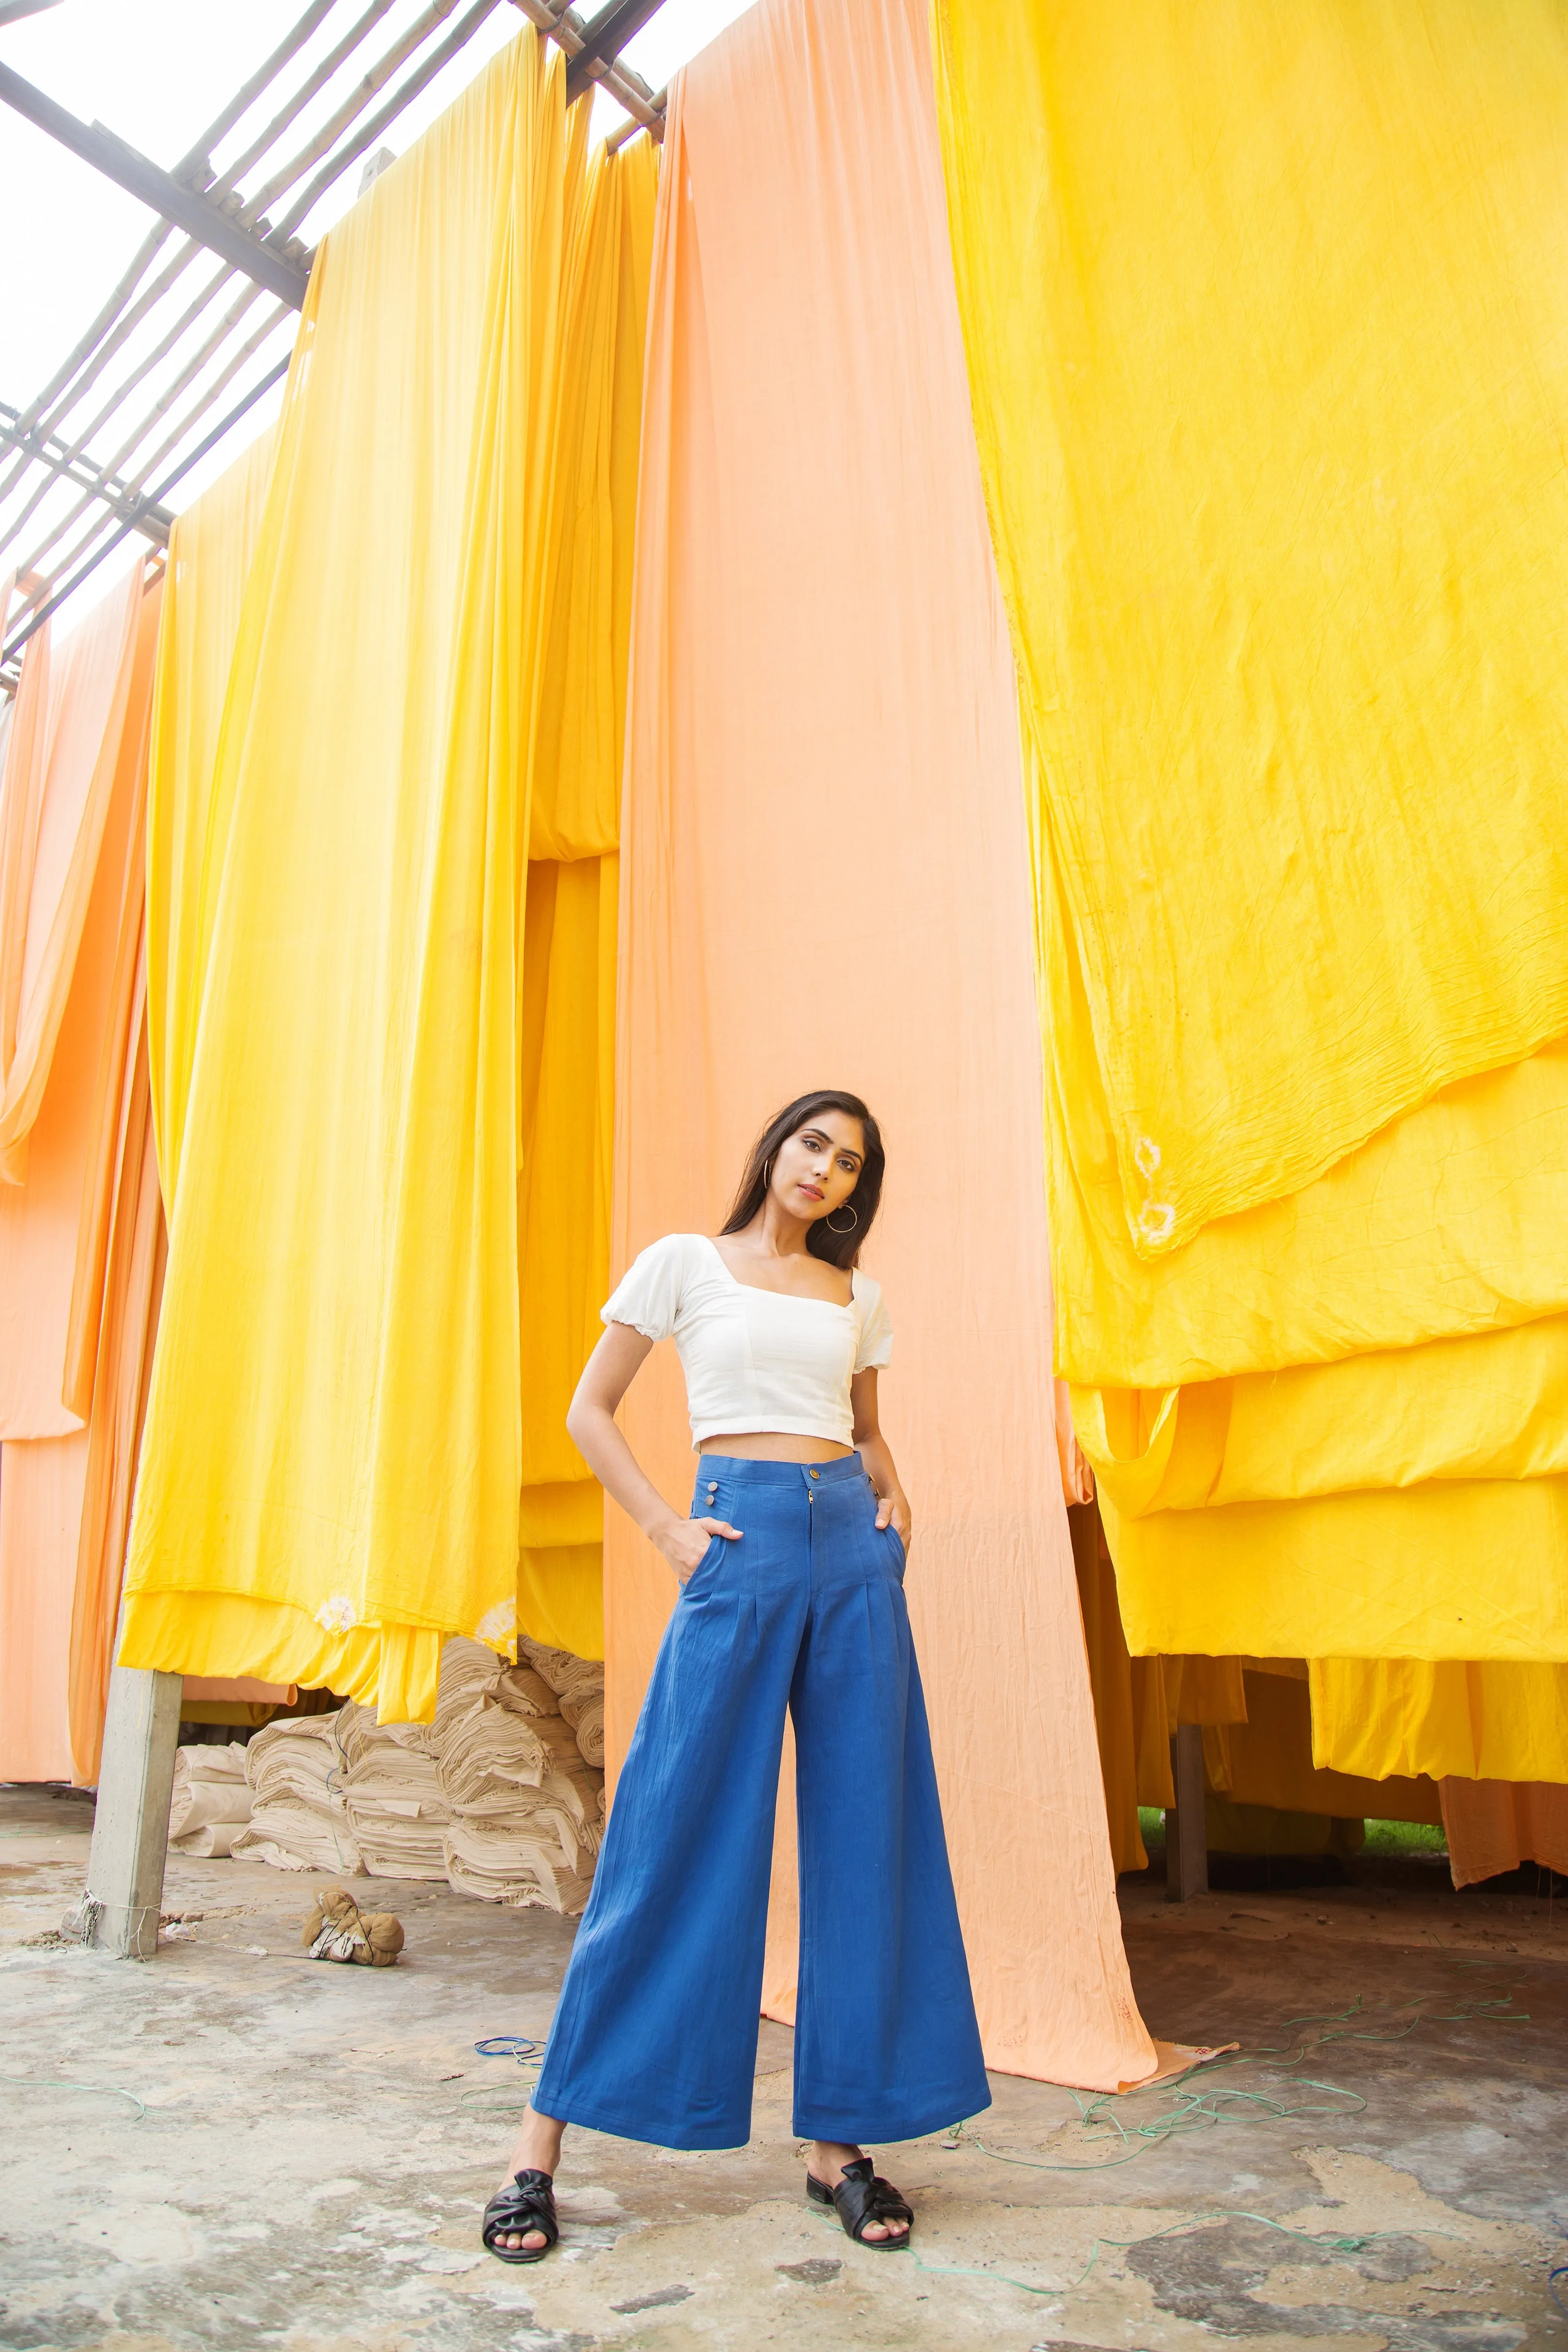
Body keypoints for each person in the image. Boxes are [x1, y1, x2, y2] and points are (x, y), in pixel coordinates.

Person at [481, 1089, 990, 2265]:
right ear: (775, 1149)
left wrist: (894, 1493)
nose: (825, 1168)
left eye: (849, 1161)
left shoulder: (856, 1296)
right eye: (813, 1143)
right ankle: (532, 2152)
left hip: (851, 1556)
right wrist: (665, 1528)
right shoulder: (684, 1263)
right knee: (668, 1836)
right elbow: (587, 1409)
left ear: (857, 1189)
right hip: (737, 1540)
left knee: (870, 1841)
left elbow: (862, 1429)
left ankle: (838, 2149)